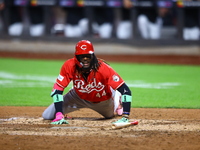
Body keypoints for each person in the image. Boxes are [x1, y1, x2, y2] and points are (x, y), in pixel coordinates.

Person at [42, 40, 132, 125]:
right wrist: (59, 114)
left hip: (102, 100)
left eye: (88, 56)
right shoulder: (69, 65)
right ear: (76, 57)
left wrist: (126, 116)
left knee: (109, 116)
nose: (85, 58)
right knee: (47, 116)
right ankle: (62, 112)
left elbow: (125, 90)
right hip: (77, 96)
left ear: (93, 56)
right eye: (82, 56)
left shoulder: (103, 68)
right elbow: (57, 89)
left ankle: (116, 99)